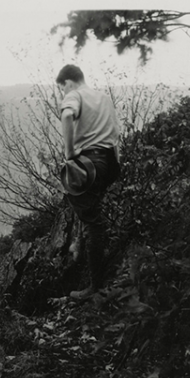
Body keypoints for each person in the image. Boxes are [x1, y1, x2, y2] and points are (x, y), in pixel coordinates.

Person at [56, 64, 122, 300]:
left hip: (89, 162)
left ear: (68, 82)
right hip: (109, 162)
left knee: (93, 222)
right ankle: (78, 247)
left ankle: (95, 286)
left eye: (61, 88)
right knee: (88, 208)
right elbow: (115, 132)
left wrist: (69, 152)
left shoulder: (74, 94)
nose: (63, 93)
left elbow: (66, 114)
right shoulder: (103, 97)